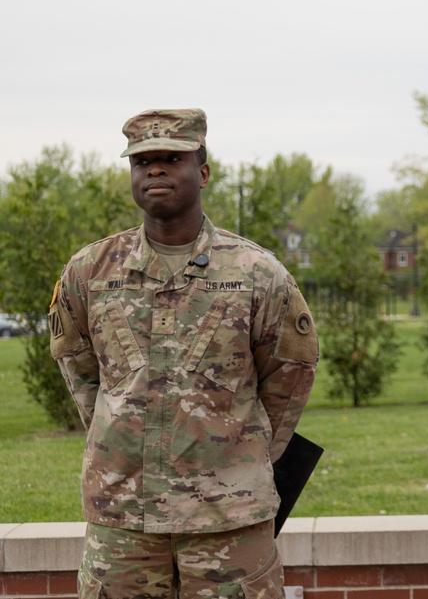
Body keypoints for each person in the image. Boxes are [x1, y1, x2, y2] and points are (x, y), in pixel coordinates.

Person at [49, 108, 318, 599]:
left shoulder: (257, 273)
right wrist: (118, 438)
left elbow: (290, 376)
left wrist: (244, 456)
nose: (155, 170)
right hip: (123, 520)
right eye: (142, 161)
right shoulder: (90, 272)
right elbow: (80, 369)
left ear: (204, 171)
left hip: (228, 522)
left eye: (172, 158)